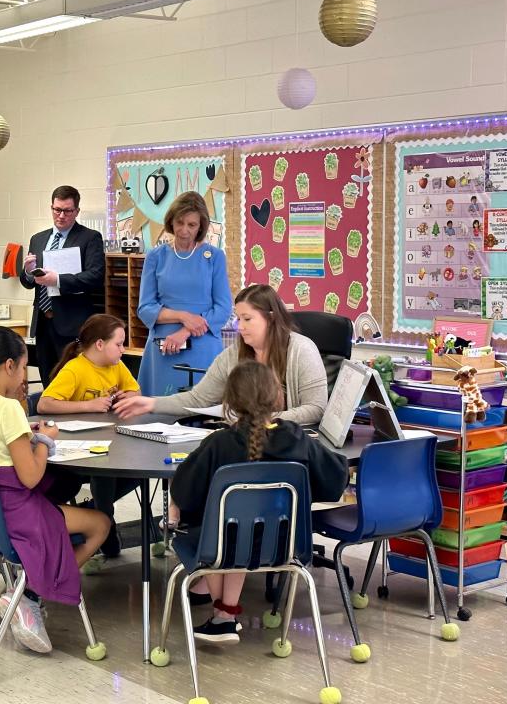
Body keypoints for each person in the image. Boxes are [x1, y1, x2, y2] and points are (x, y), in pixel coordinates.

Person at [0, 327, 110, 653]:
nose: (23, 379)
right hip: (11, 517)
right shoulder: (7, 410)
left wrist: (24, 434)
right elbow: (30, 478)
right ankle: (29, 595)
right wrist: (45, 441)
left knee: (57, 496)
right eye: (23, 368)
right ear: (8, 366)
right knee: (101, 524)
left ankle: (26, 593)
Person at [170, 360, 349, 643]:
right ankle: (224, 615)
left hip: (221, 546)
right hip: (284, 545)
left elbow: (185, 491)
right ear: (278, 396)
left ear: (229, 401)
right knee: (239, 529)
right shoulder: (297, 437)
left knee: (211, 523)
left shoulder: (219, 443)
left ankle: (224, 617)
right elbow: (335, 480)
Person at [116, 284, 328, 425]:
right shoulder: (234, 353)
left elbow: (315, 408)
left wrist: (264, 420)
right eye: (238, 319)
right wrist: (151, 403)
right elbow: (198, 399)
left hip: (288, 442)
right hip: (243, 441)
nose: (240, 327)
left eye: (247, 319)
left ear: (271, 319)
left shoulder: (302, 349)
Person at [37, 314, 140, 563]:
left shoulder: (116, 365)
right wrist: (91, 405)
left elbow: (135, 391)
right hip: (75, 449)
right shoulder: (76, 368)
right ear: (99, 344)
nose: (123, 349)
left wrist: (124, 397)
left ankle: (93, 511)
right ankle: (104, 521)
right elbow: (44, 403)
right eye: (119, 344)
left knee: (137, 472)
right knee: (104, 472)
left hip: (111, 442)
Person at [136, 191, 232, 396]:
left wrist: (185, 331)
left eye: (192, 225)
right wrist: (183, 316)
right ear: (171, 221)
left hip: (202, 345)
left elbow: (223, 308)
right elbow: (145, 309)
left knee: (203, 416)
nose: (184, 230)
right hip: (163, 348)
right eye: (179, 222)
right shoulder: (155, 256)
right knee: (157, 417)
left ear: (201, 226)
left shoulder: (214, 257)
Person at [19, 185, 105, 387]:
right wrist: (28, 272)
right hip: (43, 323)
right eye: (56, 210)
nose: (61, 215)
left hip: (72, 323)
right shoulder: (38, 239)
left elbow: (95, 277)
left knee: (72, 383)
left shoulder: (89, 238)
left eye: (67, 211)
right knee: (48, 382)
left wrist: (57, 280)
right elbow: (27, 282)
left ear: (77, 211)